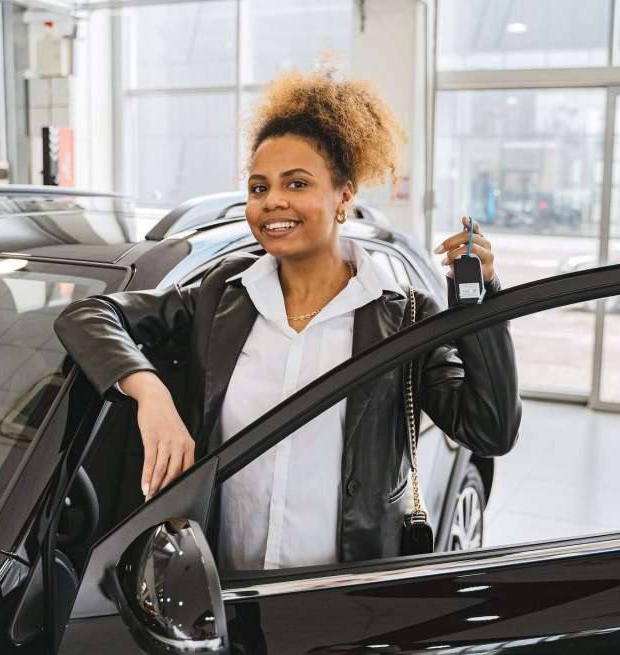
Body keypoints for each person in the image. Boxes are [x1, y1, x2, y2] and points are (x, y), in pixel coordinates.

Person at [53, 66, 520, 570]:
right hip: (220, 588)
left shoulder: (404, 315)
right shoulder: (221, 296)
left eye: (296, 183)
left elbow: (490, 430)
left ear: (344, 195)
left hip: (341, 597)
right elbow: (91, 314)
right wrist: (150, 393)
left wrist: (482, 303)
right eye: (258, 187)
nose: (272, 201)